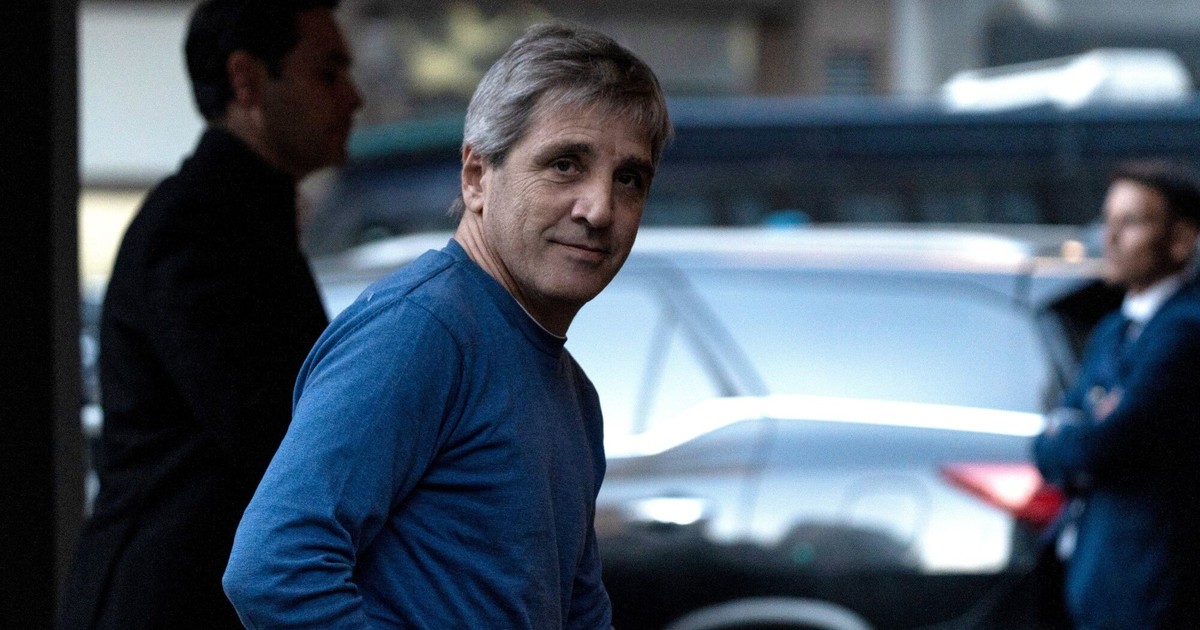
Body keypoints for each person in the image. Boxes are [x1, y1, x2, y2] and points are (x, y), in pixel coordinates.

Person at [222, 22, 671, 628]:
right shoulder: (419, 331)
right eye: (565, 165)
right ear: (477, 177)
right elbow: (274, 568)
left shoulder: (574, 392)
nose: (599, 209)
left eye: (629, 179)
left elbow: (580, 615)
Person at [58, 1, 361, 628]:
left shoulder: (234, 217)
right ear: (246, 80)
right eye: (327, 72)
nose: (353, 98)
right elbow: (277, 432)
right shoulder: (198, 226)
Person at [1034, 160, 1200, 629]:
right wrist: (1080, 430)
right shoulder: (1113, 328)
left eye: (1132, 222)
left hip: (1156, 585)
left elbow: (1108, 443)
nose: (1110, 237)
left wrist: (1080, 432)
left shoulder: (1185, 328)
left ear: (1180, 238)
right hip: (1102, 577)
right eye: (1108, 220)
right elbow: (1051, 442)